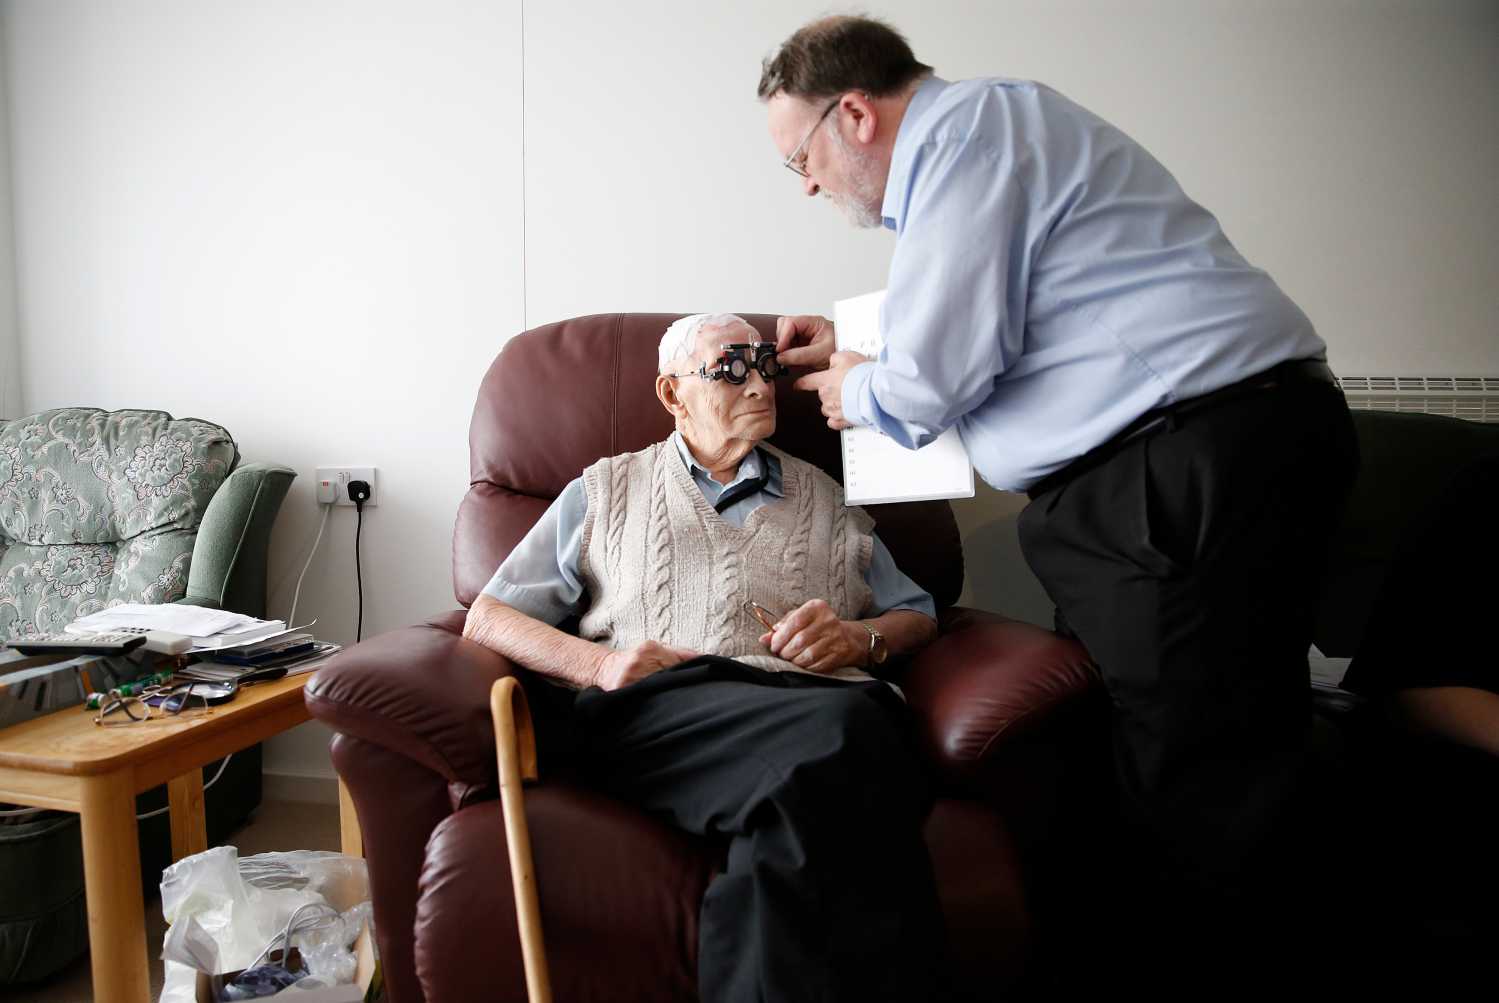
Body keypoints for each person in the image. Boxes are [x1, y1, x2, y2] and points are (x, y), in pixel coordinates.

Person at [758, 14, 1360, 986]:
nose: (809, 184)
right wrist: (854, 357)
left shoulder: (965, 134)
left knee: (1203, 781)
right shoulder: (982, 148)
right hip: (1184, 463)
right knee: (1191, 760)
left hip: (1179, 463)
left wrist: (851, 391)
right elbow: (990, 346)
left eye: (800, 158)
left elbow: (931, 381)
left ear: (855, 115)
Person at [462, 313, 944, 1002]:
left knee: (826, 766)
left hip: (816, 703)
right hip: (666, 708)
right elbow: (487, 615)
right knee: (850, 741)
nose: (758, 384)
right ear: (671, 393)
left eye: (764, 365)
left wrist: (857, 638)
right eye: (729, 367)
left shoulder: (827, 498)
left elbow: (918, 616)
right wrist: (597, 666)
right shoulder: (604, 490)